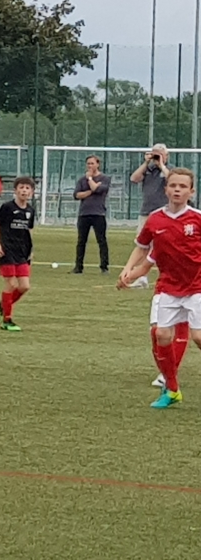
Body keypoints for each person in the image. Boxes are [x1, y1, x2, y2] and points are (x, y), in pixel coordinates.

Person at [119, 166, 201, 408]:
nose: (177, 190)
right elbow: (142, 247)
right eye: (173, 185)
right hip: (167, 288)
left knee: (198, 337)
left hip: (197, 287)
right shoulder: (155, 219)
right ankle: (172, 389)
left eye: (183, 186)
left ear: (191, 191)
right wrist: (128, 269)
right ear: (166, 189)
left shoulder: (197, 218)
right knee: (161, 335)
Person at [0, 176, 37, 331]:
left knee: (24, 286)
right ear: (15, 190)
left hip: (22, 252)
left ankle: (2, 305)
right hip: (6, 250)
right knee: (11, 284)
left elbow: (29, 230)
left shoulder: (30, 210)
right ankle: (6, 320)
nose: (24, 190)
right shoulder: (7, 207)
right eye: (21, 187)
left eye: (27, 188)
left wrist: (31, 249)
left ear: (32, 192)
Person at [73, 155, 111, 274]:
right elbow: (77, 195)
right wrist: (90, 191)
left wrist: (90, 179)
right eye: (88, 163)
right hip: (84, 213)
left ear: (98, 164)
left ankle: (104, 266)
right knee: (81, 241)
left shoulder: (105, 178)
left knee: (101, 240)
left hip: (98, 213)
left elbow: (97, 189)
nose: (90, 166)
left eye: (92, 163)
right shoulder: (81, 180)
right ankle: (78, 267)